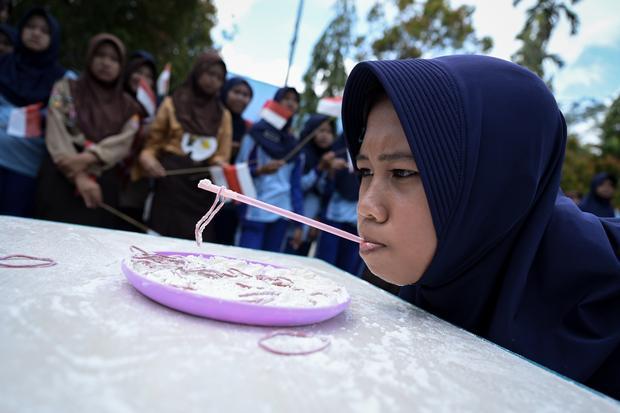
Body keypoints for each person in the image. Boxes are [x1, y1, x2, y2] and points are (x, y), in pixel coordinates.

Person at [341, 55, 620, 399]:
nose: (367, 206)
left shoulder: (602, 329)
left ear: (495, 185)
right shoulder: (421, 286)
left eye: (401, 172)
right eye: (366, 171)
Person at [35, 33, 140, 228]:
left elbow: (124, 141)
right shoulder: (65, 88)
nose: (106, 63)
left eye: (113, 59)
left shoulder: (129, 107)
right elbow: (56, 129)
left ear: (121, 65)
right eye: (100, 55)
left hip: (101, 184)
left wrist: (87, 159)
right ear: (90, 57)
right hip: (60, 176)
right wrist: (78, 175)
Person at [137, 51, 232, 240]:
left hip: (202, 191)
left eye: (218, 77)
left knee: (193, 247)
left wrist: (221, 164)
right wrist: (147, 158)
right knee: (159, 244)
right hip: (170, 184)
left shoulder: (223, 116)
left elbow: (222, 154)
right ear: (197, 72)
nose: (212, 80)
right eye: (209, 73)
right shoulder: (171, 104)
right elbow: (152, 145)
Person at [0, 7, 65, 216]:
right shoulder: (2, 64)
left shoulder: (62, 80)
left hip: (25, 170)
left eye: (44, 30)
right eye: (30, 27)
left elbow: (59, 119)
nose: (36, 33)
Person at [236, 87, 303, 252]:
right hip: (254, 210)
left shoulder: (294, 145)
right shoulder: (255, 134)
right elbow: (239, 169)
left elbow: (295, 185)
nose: (290, 103)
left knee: (270, 267)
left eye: (295, 100)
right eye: (285, 98)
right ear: (275, 102)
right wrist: (260, 170)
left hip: (281, 213)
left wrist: (299, 222)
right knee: (246, 263)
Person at [285, 114, 340, 256]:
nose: (325, 136)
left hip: (311, 227)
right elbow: (298, 188)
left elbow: (326, 196)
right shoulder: (301, 155)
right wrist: (319, 168)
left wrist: (318, 221)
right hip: (293, 224)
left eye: (329, 132)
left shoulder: (332, 159)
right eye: (321, 130)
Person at [210, 76, 254, 245]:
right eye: (237, 92)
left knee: (223, 239)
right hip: (206, 188)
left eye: (246, 95)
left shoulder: (249, 128)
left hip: (231, 193)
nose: (241, 98)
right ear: (225, 91)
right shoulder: (213, 118)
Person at [118, 50, 158, 230]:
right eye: (138, 72)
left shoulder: (154, 113)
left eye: (148, 76)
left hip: (134, 192)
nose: (142, 79)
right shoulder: (111, 99)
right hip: (101, 181)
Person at [314, 134, 362, 275]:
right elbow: (322, 189)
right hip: (333, 218)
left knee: (348, 272)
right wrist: (330, 171)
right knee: (325, 268)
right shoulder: (336, 151)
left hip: (358, 220)